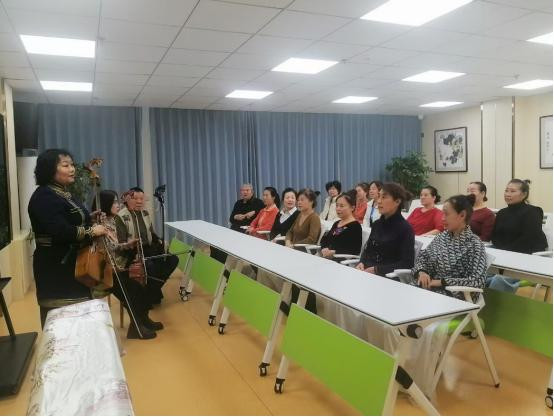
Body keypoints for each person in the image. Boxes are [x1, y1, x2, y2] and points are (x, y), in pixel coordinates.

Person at [28, 149, 107, 327]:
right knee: (64, 324)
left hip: (74, 264)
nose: (72, 169)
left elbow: (70, 219)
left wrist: (89, 218)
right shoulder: (44, 196)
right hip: (57, 267)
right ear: (49, 169)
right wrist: (91, 231)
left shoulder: (64, 193)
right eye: (65, 165)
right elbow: (60, 231)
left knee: (82, 321)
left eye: (72, 165)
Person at [93, 190, 160, 339]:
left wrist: (129, 245)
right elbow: (110, 248)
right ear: (105, 204)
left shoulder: (113, 220)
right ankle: (136, 327)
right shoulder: (100, 224)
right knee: (133, 291)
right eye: (114, 202)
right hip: (107, 273)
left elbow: (117, 245)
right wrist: (127, 245)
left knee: (141, 288)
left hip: (118, 267)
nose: (118, 205)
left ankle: (143, 321)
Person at [410, 194, 487, 302]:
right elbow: (424, 257)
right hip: (429, 289)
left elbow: (477, 280)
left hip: (453, 295)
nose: (442, 218)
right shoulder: (442, 236)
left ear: (462, 215)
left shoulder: (474, 244)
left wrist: (441, 282)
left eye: (446, 214)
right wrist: (422, 272)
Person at [115, 187, 181, 306]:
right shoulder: (121, 216)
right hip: (131, 252)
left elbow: (151, 233)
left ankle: (150, 292)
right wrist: (131, 245)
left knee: (173, 259)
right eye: (135, 199)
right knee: (150, 266)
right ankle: (151, 294)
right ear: (128, 200)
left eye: (142, 198)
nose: (139, 201)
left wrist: (160, 240)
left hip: (148, 248)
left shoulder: (145, 213)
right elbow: (121, 242)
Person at [487, 179, 547, 292]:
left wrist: (506, 252)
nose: (507, 194)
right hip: (503, 258)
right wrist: (503, 253)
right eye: (506, 190)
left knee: (499, 279)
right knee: (480, 274)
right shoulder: (502, 213)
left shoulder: (533, 211)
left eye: (512, 191)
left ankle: (495, 302)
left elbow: (529, 238)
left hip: (528, 258)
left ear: (524, 194)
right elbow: (494, 236)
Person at [356, 183, 414, 277]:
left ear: (397, 201)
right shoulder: (376, 224)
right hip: (366, 272)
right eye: (379, 196)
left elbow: (407, 263)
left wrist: (377, 270)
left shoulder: (405, 229)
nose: (379, 201)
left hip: (387, 277)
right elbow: (367, 250)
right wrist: (361, 262)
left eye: (384, 197)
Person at [285, 188, 321, 314]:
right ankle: (294, 305)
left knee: (302, 284)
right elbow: (290, 232)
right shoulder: (300, 215)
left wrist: (294, 246)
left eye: (302, 200)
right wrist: (288, 241)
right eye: (298, 200)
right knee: (292, 280)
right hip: (293, 252)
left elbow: (311, 239)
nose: (298, 202)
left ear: (311, 202)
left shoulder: (314, 218)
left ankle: (307, 311)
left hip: (305, 255)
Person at [320, 191, 362, 259]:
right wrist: (324, 248)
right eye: (337, 205)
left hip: (341, 261)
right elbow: (325, 238)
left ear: (352, 208)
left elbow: (355, 250)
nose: (338, 208)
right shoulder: (337, 223)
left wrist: (334, 252)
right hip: (327, 258)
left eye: (341, 206)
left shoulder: (355, 226)